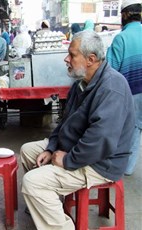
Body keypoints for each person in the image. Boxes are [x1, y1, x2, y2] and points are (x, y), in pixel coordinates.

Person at [21, 30, 135, 230]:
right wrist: (52, 148)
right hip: (78, 148)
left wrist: (67, 160)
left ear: (91, 59)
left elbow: (100, 141)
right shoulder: (81, 84)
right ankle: (44, 205)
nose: (67, 59)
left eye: (72, 55)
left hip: (101, 163)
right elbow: (64, 123)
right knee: (29, 151)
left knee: (32, 182)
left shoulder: (111, 88)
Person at [106, 0, 142, 176]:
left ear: (125, 15)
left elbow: (110, 69)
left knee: (127, 128)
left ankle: (122, 166)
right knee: (137, 128)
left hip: (130, 91)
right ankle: (127, 166)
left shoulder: (122, 38)